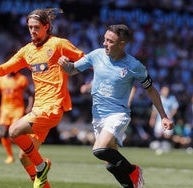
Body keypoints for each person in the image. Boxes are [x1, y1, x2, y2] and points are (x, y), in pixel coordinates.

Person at [0, 8, 84, 188]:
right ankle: (43, 180)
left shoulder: (59, 44)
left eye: (36, 27)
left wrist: (72, 68)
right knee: (24, 157)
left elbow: (85, 59)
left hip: (53, 107)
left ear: (46, 27)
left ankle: (42, 166)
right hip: (38, 109)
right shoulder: (27, 51)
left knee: (13, 131)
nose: (32, 31)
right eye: (30, 27)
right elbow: (3, 69)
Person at [58, 24, 174, 188]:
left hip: (118, 114)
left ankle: (133, 170)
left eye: (110, 41)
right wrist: (65, 64)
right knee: (111, 164)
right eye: (105, 39)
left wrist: (163, 116)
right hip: (98, 116)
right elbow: (71, 70)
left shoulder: (134, 66)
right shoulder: (96, 55)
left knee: (99, 150)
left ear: (122, 44)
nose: (104, 43)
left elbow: (151, 90)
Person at [0, 72, 33, 164]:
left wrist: (29, 106)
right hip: (5, 110)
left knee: (16, 133)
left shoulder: (21, 79)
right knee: (4, 133)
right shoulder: (1, 79)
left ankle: (29, 152)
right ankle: (10, 156)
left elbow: (30, 94)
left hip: (17, 109)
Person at [149, 85, 179, 153]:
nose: (166, 92)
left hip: (168, 119)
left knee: (167, 134)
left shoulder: (172, 98)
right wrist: (152, 119)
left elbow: (175, 108)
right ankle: (159, 145)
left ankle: (165, 144)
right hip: (159, 120)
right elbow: (154, 110)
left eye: (167, 90)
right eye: (164, 90)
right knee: (158, 133)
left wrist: (170, 116)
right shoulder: (158, 98)